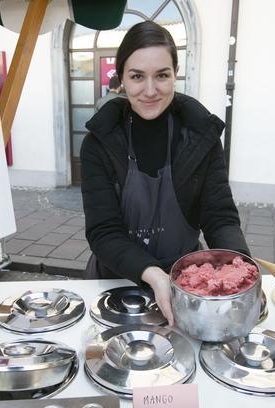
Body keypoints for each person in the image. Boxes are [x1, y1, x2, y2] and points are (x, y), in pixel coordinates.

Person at [80, 21, 249, 325]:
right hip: (114, 285)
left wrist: (240, 268)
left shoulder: (202, 137)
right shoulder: (99, 143)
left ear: (175, 73)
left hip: (185, 284)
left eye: (161, 75)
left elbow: (219, 216)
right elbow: (103, 232)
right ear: (122, 78)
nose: (149, 90)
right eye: (136, 77)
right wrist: (153, 274)